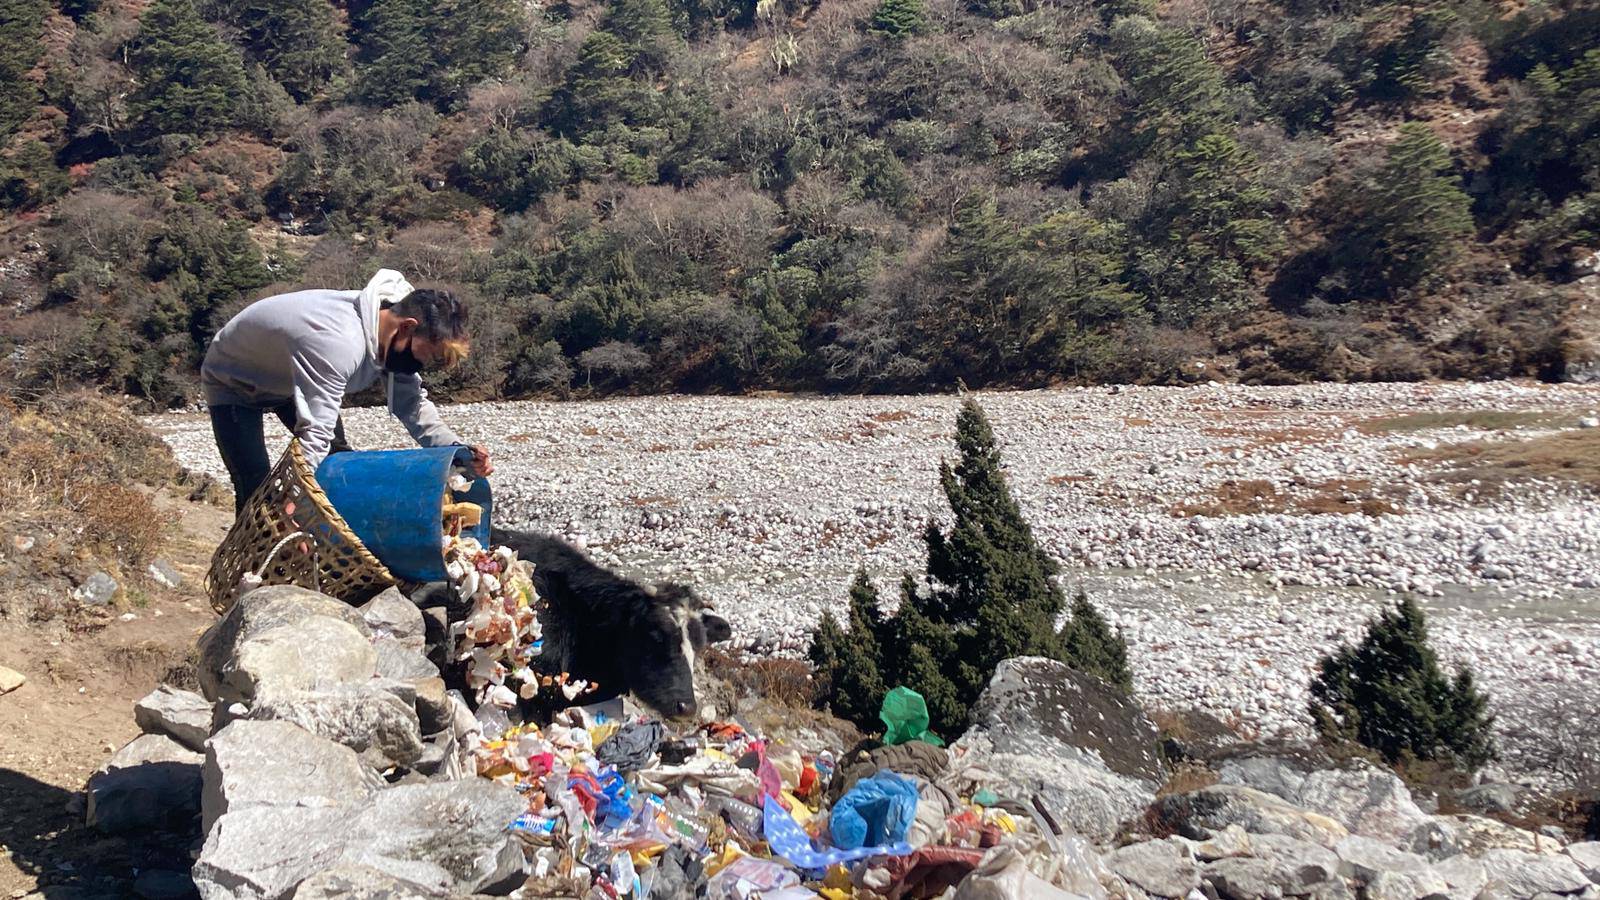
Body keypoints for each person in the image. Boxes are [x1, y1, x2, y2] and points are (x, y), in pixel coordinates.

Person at [202, 269, 492, 514]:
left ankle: (332, 545)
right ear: (407, 327)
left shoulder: (388, 332)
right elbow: (315, 433)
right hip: (234, 378)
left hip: (290, 376)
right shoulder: (339, 342)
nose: (423, 364)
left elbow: (412, 405)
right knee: (255, 485)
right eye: (427, 355)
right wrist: (292, 498)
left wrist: (458, 452)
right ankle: (252, 571)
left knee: (338, 461)